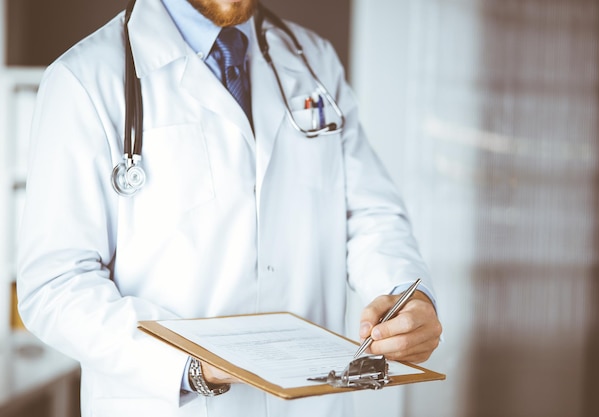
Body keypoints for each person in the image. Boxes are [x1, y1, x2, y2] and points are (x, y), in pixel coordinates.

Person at [17, 0, 442, 416]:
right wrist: (195, 364)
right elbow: (55, 283)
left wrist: (406, 296)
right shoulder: (85, 79)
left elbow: (368, 214)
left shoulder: (313, 61)